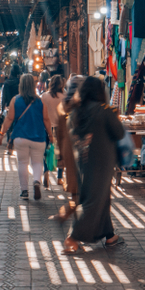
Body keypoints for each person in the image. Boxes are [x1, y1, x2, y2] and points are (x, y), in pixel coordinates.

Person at [63, 76, 125, 253]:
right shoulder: (103, 110)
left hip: (83, 160)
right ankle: (72, 238)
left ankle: (110, 235)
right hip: (102, 161)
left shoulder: (75, 112)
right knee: (95, 199)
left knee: (98, 196)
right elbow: (119, 133)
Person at [0, 74, 53, 200]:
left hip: (20, 137)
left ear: (21, 85)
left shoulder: (15, 100)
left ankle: (24, 191)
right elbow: (46, 119)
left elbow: (9, 119)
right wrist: (50, 135)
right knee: (37, 162)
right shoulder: (40, 101)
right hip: (39, 137)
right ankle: (36, 182)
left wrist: (1, 134)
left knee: (22, 163)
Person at [52, 75, 84, 221]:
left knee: (75, 189)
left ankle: (71, 215)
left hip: (68, 149)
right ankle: (74, 224)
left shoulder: (63, 105)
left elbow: (59, 133)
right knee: (87, 190)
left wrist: (60, 156)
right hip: (84, 150)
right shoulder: (85, 105)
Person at [40, 74, 65, 186]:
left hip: (46, 127)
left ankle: (45, 170)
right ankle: (60, 178)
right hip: (61, 128)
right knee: (61, 153)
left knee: (44, 151)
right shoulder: (65, 96)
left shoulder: (44, 96)